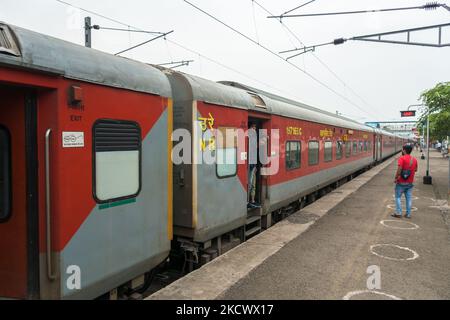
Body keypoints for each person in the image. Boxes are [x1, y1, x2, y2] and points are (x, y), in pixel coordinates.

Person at [393, 144, 418, 219]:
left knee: (397, 197)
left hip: (401, 182)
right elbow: (416, 169)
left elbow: (399, 169)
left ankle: (399, 213)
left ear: (404, 150)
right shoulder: (414, 159)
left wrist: (396, 177)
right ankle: (408, 214)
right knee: (409, 198)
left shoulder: (402, 158)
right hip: (410, 182)